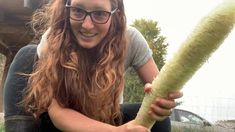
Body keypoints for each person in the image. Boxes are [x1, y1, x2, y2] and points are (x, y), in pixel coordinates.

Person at [3, 0, 183, 131]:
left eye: (100, 14)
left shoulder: (131, 39)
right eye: (78, 11)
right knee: (27, 53)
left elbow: (160, 89)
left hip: (107, 117)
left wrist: (161, 99)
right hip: (65, 123)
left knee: (159, 120)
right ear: (67, 9)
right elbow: (58, 114)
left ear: (115, 14)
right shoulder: (53, 40)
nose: (87, 25)